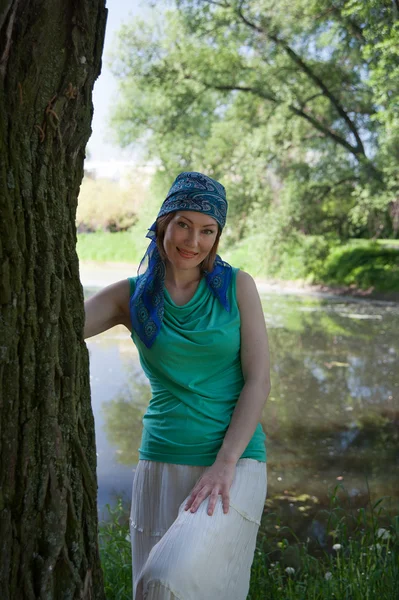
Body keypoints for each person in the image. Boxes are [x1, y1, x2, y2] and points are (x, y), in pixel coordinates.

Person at [84, 171, 271, 600]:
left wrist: (224, 463)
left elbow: (258, 380)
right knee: (152, 590)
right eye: (183, 224)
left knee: (168, 578)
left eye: (208, 230)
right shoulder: (130, 298)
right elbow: (56, 322)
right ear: (163, 223)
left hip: (234, 464)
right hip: (162, 460)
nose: (193, 240)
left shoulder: (238, 287)